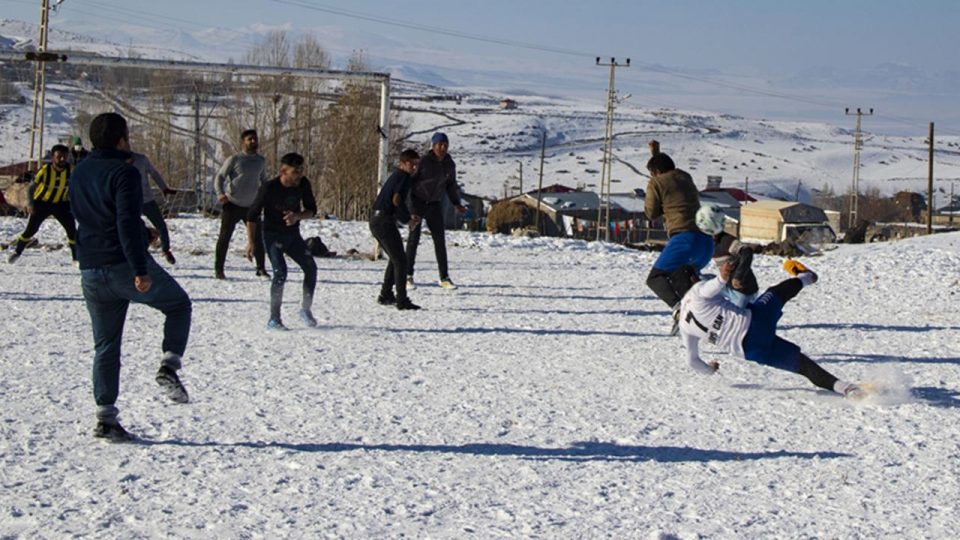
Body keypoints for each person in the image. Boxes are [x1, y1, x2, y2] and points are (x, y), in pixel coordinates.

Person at [69, 112, 192, 442]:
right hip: (123, 264)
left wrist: (139, 231)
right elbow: (123, 221)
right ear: (122, 139)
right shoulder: (125, 173)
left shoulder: (78, 172)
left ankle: (106, 419)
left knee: (106, 345)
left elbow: (91, 216)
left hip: (90, 268)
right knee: (179, 305)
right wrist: (139, 268)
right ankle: (169, 366)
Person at [677, 258, 863, 398]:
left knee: (803, 366)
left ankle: (847, 389)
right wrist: (722, 276)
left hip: (751, 350)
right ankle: (806, 277)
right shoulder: (697, 291)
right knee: (776, 292)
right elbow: (711, 286)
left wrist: (710, 370)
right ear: (694, 279)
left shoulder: (683, 326)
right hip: (755, 323)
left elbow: (692, 361)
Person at [643, 142, 714, 331]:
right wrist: (655, 154)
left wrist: (652, 184)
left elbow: (651, 213)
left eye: (651, 173)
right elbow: (667, 173)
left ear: (655, 171)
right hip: (706, 241)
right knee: (681, 278)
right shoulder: (685, 176)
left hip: (685, 239)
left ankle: (680, 311)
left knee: (655, 278)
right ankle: (700, 314)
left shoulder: (656, 182)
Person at [245, 152, 318, 330]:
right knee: (280, 273)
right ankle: (274, 319)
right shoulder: (269, 188)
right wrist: (251, 242)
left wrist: (297, 216)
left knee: (311, 267)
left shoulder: (303, 184)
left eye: (301, 170)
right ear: (283, 171)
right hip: (272, 236)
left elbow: (311, 210)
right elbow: (252, 216)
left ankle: (305, 310)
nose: (299, 175)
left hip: (292, 236)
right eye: (295, 171)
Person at [405, 132, 465, 290]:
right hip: (418, 202)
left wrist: (456, 203)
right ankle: (407, 275)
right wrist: (406, 203)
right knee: (414, 238)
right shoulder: (424, 161)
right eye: (440, 145)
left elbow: (451, 185)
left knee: (439, 240)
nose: (443, 148)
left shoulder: (449, 164)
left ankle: (444, 277)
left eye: (445, 145)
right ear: (433, 145)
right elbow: (410, 180)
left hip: (434, 204)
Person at [213, 129, 269, 279]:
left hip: (252, 206)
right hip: (233, 204)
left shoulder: (260, 161)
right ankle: (219, 269)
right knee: (224, 237)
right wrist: (220, 194)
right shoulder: (234, 159)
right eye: (250, 139)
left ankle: (261, 268)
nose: (253, 142)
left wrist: (266, 197)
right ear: (243, 142)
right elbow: (220, 176)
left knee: (257, 238)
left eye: (255, 139)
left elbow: (264, 181)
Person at [370, 149, 422, 310]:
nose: (414, 168)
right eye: (411, 164)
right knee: (401, 260)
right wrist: (407, 219)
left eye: (416, 165)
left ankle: (386, 294)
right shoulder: (403, 177)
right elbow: (396, 199)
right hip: (383, 221)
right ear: (403, 164)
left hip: (378, 220)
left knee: (395, 257)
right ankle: (402, 299)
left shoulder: (399, 176)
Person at [8, 144, 78, 264]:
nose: (62, 159)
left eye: (64, 157)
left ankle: (76, 259)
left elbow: (78, 186)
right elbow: (31, 188)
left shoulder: (71, 170)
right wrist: (30, 204)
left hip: (61, 204)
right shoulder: (45, 170)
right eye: (59, 156)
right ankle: (17, 252)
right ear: (52, 157)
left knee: (72, 231)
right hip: (42, 203)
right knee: (30, 230)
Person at [130, 152, 177, 265]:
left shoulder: (141, 159)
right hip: (129, 201)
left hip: (147, 199)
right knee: (129, 227)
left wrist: (164, 188)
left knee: (161, 225)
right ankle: (131, 252)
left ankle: (166, 250)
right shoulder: (117, 161)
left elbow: (154, 173)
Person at [712, 229, 760, 308]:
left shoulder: (726, 241)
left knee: (736, 317)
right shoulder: (708, 243)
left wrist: (738, 276)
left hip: (742, 292)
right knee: (700, 280)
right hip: (727, 286)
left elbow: (747, 251)